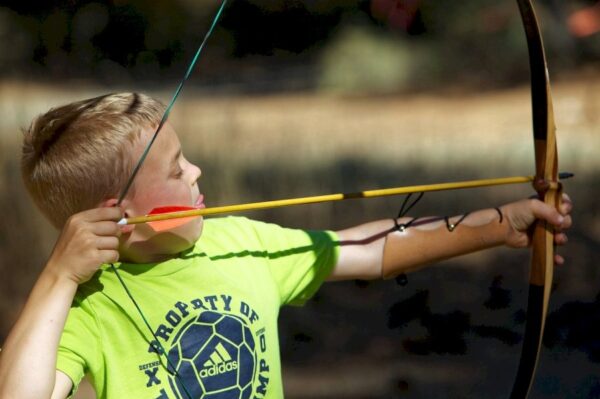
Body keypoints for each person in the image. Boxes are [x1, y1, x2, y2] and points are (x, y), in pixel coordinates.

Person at [0, 93, 572, 399]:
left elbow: (367, 249)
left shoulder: (240, 243)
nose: (197, 171)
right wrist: (59, 277)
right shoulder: (89, 306)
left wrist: (500, 223)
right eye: (176, 170)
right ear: (122, 217)